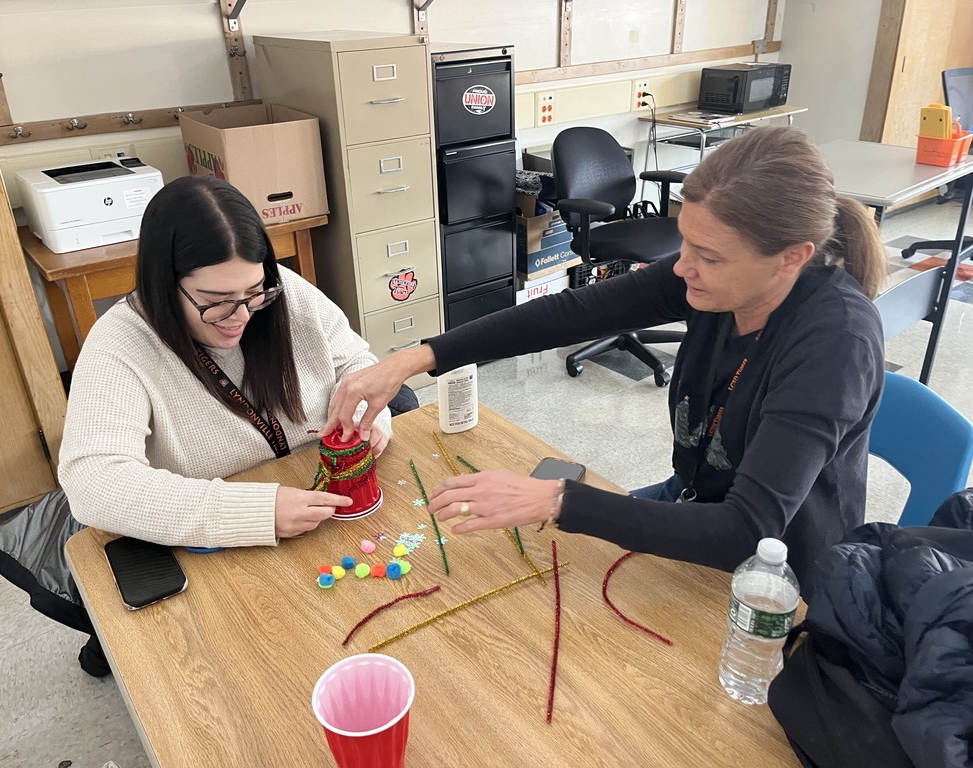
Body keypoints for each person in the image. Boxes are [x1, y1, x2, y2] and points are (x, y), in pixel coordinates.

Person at [323, 126, 886, 593]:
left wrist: (557, 498)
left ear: (791, 259)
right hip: (689, 500)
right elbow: (570, 313)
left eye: (708, 257)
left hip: (779, 575)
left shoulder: (835, 344)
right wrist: (416, 357)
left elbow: (745, 530)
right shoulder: (714, 280)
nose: (682, 267)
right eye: (685, 243)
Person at [59, 175, 393, 549]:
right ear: (164, 284)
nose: (241, 316)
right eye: (215, 300)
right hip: (228, 544)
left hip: (322, 502)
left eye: (253, 293)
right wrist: (256, 512)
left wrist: (367, 415)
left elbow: (357, 362)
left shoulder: (282, 289)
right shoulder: (120, 343)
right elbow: (92, 481)